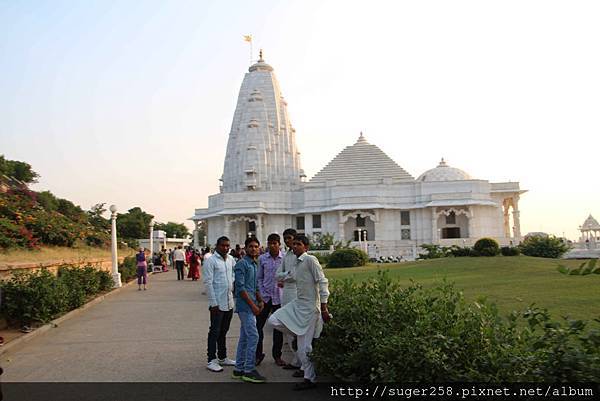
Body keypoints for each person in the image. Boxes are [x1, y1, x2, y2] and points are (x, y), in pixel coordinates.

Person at [269, 234, 330, 390]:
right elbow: (284, 277)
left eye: (298, 244)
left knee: (304, 348)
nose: (294, 246)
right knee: (273, 320)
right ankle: (297, 332)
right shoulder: (296, 263)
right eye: (293, 244)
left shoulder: (310, 260)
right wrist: (285, 277)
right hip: (298, 303)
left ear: (306, 247)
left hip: (310, 308)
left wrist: (324, 307)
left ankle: (309, 379)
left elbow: (322, 282)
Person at [231, 236, 266, 383]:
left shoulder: (253, 264)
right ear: (245, 248)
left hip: (252, 304)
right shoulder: (242, 264)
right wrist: (252, 305)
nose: (253, 249)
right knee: (254, 336)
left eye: (256, 246)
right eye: (251, 246)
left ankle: (239, 368)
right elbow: (240, 288)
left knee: (245, 337)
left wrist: (260, 299)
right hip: (245, 306)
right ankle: (249, 370)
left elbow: (255, 285)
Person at [202, 236, 236, 372]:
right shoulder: (211, 261)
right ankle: (211, 359)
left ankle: (223, 357)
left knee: (224, 331)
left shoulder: (231, 259)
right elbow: (208, 283)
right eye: (223, 245)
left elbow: (233, 274)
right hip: (217, 304)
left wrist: (232, 284)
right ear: (217, 246)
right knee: (214, 332)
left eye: (227, 245)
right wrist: (213, 303)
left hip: (229, 302)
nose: (225, 248)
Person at [255, 233, 286, 366]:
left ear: (279, 244)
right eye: (270, 243)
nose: (272, 245)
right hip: (266, 297)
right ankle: (258, 354)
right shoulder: (262, 259)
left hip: (279, 297)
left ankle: (277, 356)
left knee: (278, 328)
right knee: (258, 327)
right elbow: (259, 278)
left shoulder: (284, 258)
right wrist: (261, 294)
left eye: (275, 243)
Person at [275, 228, 301, 369]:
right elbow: (277, 274)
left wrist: (286, 276)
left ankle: (302, 363)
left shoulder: (302, 256)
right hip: (286, 293)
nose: (287, 241)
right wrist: (287, 275)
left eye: (289, 238)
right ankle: (295, 360)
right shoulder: (287, 255)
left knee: (297, 328)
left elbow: (295, 276)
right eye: (285, 238)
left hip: (297, 293)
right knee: (288, 327)